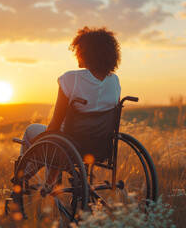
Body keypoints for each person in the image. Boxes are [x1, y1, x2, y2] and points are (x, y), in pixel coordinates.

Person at [20, 26, 121, 157]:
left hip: (71, 144)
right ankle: (49, 177)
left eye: (78, 50)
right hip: (100, 147)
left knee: (32, 131)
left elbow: (55, 124)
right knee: (54, 139)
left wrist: (44, 139)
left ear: (85, 53)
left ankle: (22, 176)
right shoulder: (115, 81)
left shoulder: (71, 79)